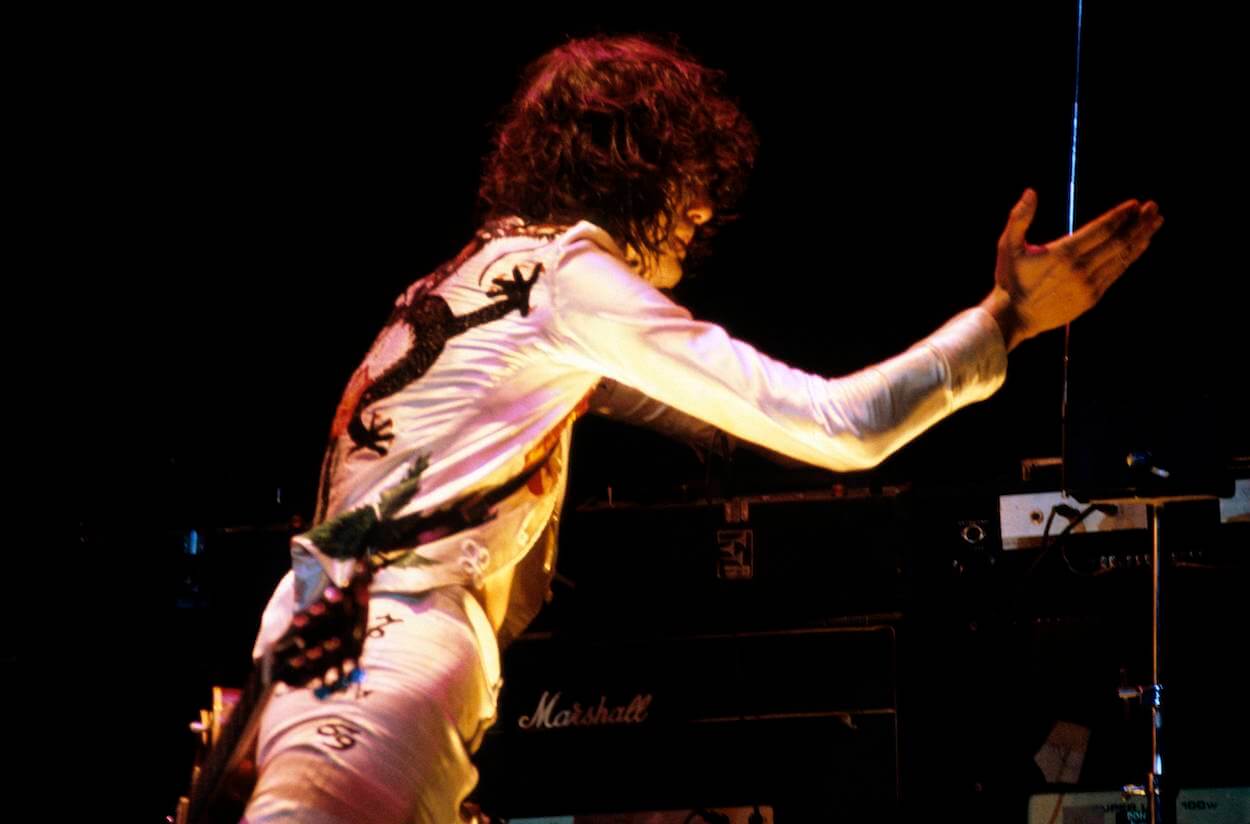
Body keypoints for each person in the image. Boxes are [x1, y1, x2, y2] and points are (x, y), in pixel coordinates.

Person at [240, 34, 1161, 823]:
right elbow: (840, 423)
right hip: (386, 646)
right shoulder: (565, 281)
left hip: (320, 636)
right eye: (691, 183)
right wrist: (1006, 318)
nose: (704, 213)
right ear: (638, 167)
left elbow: (669, 406)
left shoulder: (458, 281)